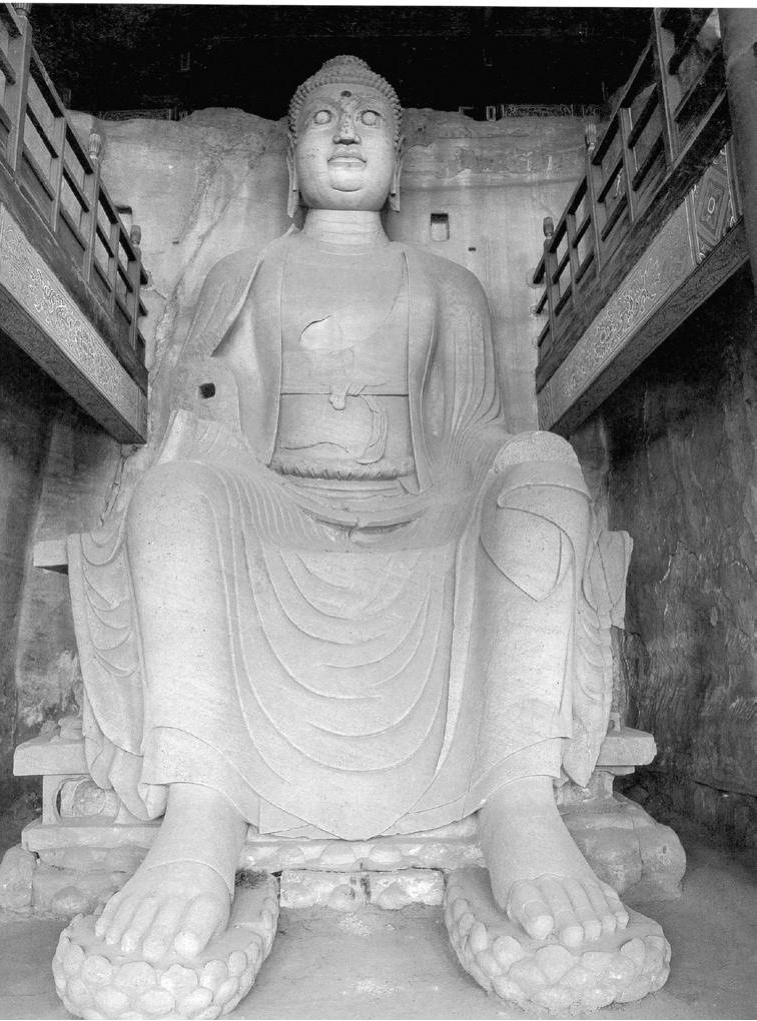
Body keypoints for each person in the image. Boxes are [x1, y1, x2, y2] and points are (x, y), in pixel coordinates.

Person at [68, 55, 629, 966]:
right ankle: (203, 804)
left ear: (398, 166)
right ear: (292, 161)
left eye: (368, 119)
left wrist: (519, 463)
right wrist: (206, 415)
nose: (345, 129)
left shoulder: (445, 284)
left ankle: (518, 800)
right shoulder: (247, 272)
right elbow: (210, 427)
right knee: (173, 493)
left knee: (541, 467)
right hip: (275, 497)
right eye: (324, 117)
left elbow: (473, 430)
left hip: (419, 499)